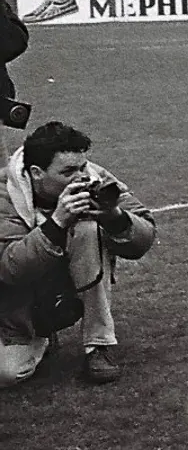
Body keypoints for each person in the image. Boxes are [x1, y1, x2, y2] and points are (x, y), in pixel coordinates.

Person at [0, 122, 156, 388]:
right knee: (7, 374)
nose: (82, 177)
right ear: (36, 173)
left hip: (62, 283)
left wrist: (116, 218)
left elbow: (144, 237)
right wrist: (57, 222)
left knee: (87, 228)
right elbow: (9, 269)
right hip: (12, 301)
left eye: (83, 166)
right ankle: (39, 334)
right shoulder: (4, 193)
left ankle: (98, 346)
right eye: (68, 172)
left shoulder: (95, 176)